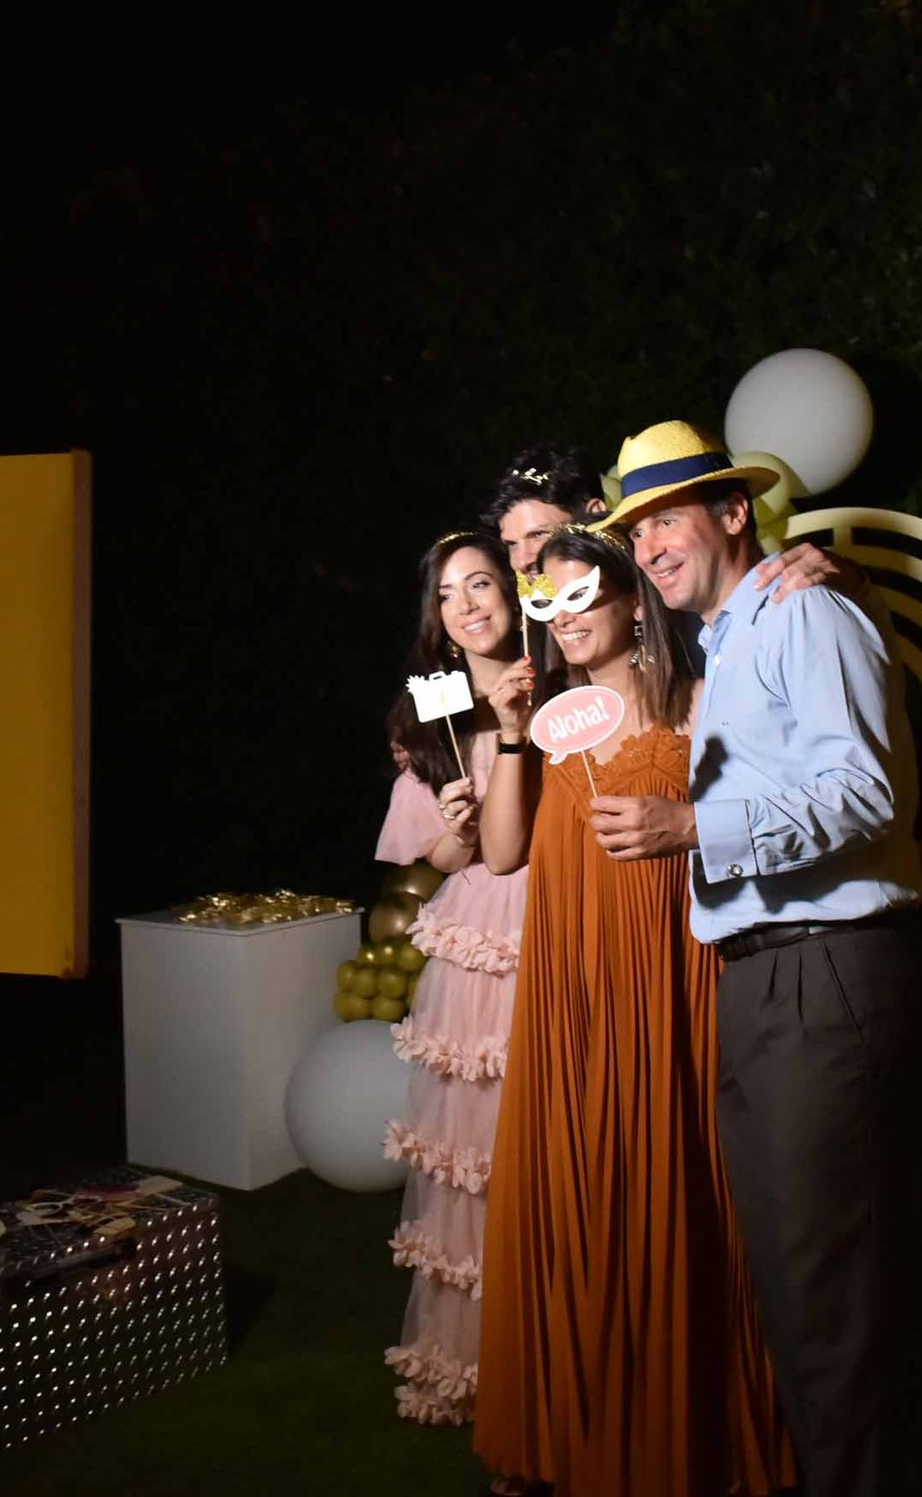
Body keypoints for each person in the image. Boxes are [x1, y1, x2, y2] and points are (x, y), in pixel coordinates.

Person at [596, 419, 922, 1497]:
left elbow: (864, 791)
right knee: (801, 1284)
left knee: (831, 1292)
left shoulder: (803, 610)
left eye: (667, 518)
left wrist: (690, 828)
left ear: (735, 511)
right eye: (635, 529)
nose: (648, 546)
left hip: (825, 972)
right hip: (766, 976)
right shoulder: (731, 638)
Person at [472, 524, 796, 1497]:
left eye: (584, 598)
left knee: (690, 1186)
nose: (567, 619)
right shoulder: (546, 716)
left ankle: (691, 1435)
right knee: (580, 1191)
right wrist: (508, 733)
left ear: (629, 603)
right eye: (550, 603)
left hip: (676, 984)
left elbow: (762, 825)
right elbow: (499, 855)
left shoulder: (699, 704)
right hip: (571, 993)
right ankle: (578, 1432)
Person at [375, 530, 548, 1428]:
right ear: (436, 621)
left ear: (513, 592)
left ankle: (554, 1370)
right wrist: (452, 826)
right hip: (481, 937)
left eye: (483, 582)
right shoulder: (433, 701)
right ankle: (478, 1372)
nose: (470, 603)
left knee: (546, 1150)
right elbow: (429, 863)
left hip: (554, 922)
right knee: (477, 1154)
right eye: (449, 594)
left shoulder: (553, 667)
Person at [482, 436, 857, 599]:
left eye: (539, 536)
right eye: (511, 544)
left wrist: (848, 576)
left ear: (597, 515)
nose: (522, 560)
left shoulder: (669, 581)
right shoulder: (528, 614)